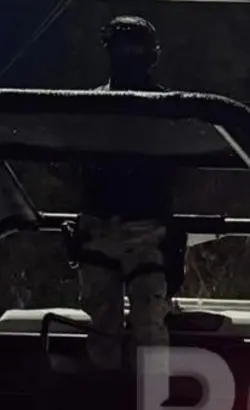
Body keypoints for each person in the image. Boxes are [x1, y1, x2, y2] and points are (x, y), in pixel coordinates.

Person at [75, 15, 177, 373]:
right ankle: (110, 402)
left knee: (148, 321)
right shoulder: (91, 107)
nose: (127, 55)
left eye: (134, 48)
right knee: (104, 326)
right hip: (102, 225)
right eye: (122, 47)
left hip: (146, 227)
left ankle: (148, 404)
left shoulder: (170, 108)